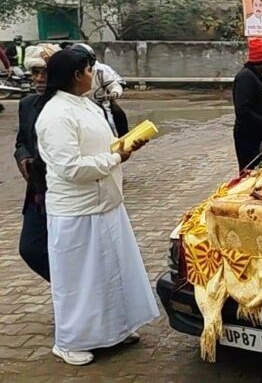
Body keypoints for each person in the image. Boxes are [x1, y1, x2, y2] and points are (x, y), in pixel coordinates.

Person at [35, 48, 158, 365]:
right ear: (77, 75)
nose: (94, 75)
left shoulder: (86, 105)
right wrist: (117, 157)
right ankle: (70, 340)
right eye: (90, 70)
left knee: (110, 272)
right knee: (80, 282)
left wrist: (125, 144)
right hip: (78, 210)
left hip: (106, 204)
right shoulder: (55, 115)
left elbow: (100, 144)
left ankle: (114, 330)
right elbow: (71, 168)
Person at [15, 44, 61, 281]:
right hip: (38, 192)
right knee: (31, 249)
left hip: (66, 192)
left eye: (45, 72)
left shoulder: (69, 104)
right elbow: (21, 141)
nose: (40, 78)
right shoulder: (27, 105)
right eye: (35, 73)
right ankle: (68, 287)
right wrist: (23, 157)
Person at [233, 37, 262, 170]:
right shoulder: (245, 77)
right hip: (250, 139)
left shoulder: (256, 77)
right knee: (252, 173)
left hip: (260, 138)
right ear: (261, 60)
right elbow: (243, 111)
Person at [72, 44, 128, 137]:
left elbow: (115, 85)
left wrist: (113, 94)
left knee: (111, 127)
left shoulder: (101, 70)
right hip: (78, 109)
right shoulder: (69, 72)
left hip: (101, 108)